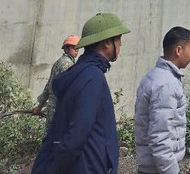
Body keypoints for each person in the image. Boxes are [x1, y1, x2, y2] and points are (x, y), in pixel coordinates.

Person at [31, 13, 131, 174]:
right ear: (107, 42)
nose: (120, 45)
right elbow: (76, 135)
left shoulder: (81, 71)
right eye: (119, 40)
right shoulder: (92, 77)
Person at [135, 26, 190, 174]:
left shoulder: (154, 76)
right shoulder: (166, 84)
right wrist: (171, 171)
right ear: (178, 50)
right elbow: (160, 138)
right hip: (158, 169)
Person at [32, 34, 80, 127]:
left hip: (53, 107)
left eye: (78, 48)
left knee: (50, 133)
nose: (77, 50)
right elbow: (69, 89)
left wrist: (40, 105)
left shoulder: (58, 62)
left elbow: (48, 86)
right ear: (66, 49)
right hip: (60, 108)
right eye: (74, 48)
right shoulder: (67, 64)